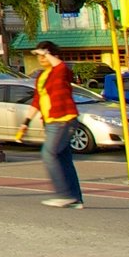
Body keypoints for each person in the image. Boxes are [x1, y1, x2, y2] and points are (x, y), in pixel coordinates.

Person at [30, 41, 84, 209]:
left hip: (63, 119)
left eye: (44, 56)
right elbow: (37, 100)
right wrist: (26, 122)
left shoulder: (61, 72)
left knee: (49, 154)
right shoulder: (41, 76)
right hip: (50, 121)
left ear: (53, 55)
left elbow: (61, 66)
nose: (41, 59)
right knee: (63, 159)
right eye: (39, 56)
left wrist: (47, 53)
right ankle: (75, 198)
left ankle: (64, 195)